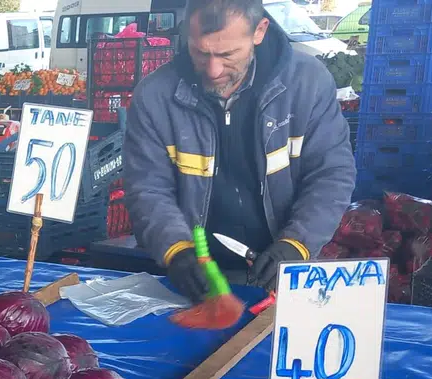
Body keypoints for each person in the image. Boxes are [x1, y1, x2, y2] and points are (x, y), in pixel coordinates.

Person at [122, 0, 354, 303]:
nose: (213, 69)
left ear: (259, 31)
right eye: (201, 53)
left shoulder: (307, 83)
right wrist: (175, 249)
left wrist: (297, 244)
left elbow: (331, 173)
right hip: (193, 278)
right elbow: (147, 187)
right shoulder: (154, 96)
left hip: (284, 271)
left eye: (227, 54)